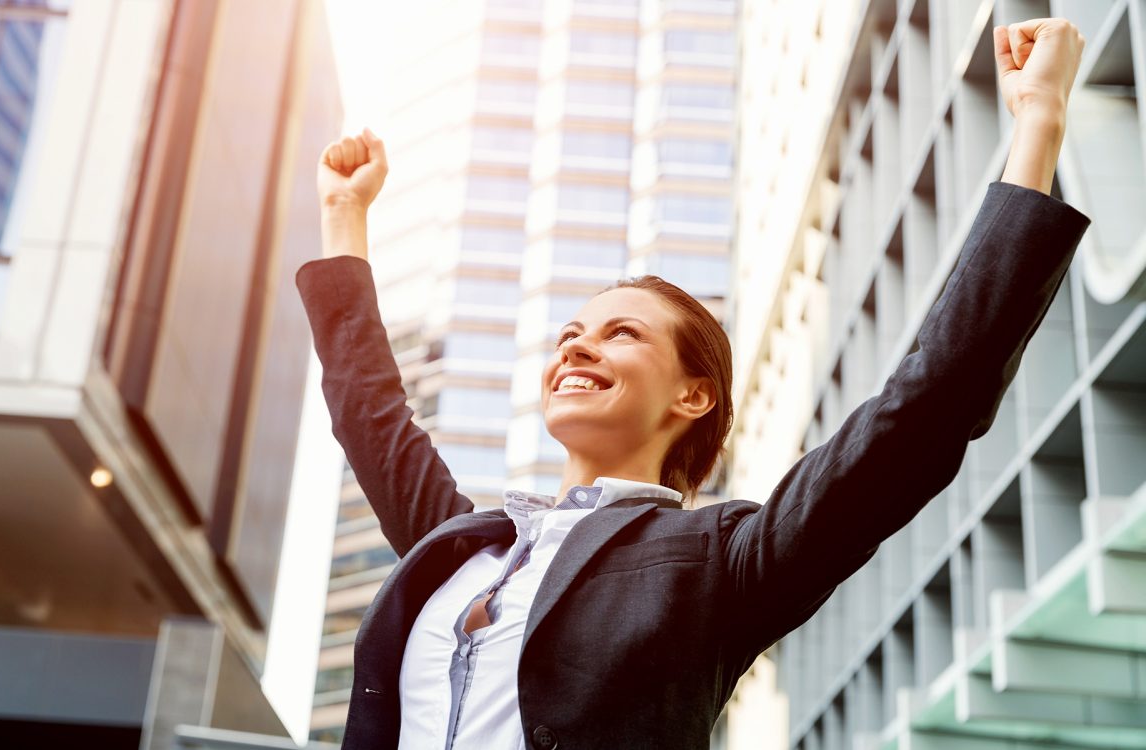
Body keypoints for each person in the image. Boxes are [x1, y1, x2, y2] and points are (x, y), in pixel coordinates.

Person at [297, 18, 1091, 750]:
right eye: (569, 335)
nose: (576, 350)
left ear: (693, 396)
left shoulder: (721, 560)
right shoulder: (459, 546)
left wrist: (1037, 122)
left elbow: (927, 406)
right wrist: (345, 218)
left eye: (621, 334)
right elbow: (372, 414)